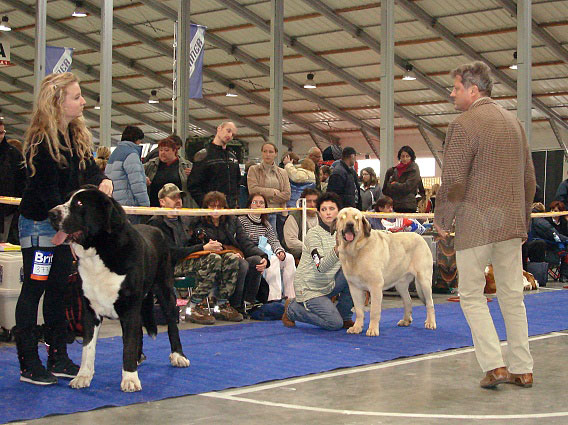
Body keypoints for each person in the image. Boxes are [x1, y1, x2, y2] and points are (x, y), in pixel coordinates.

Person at [434, 61, 536, 389]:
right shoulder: (515, 123)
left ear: (473, 90)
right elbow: (529, 179)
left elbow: (453, 179)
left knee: (471, 295)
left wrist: (442, 219)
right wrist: (523, 218)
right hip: (510, 225)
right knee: (511, 296)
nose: (452, 94)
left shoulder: (463, 125)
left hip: (476, 225)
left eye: (456, 88)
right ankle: (523, 368)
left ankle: (494, 365)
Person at [15, 72, 113, 385]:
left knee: (58, 289)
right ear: (58, 102)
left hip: (63, 228)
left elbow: (87, 173)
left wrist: (103, 181)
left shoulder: (76, 137)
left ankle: (58, 354)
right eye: (76, 96)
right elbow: (47, 193)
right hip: (41, 227)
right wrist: (67, 227)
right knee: (34, 290)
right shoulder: (41, 142)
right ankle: (28, 361)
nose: (83, 101)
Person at [147, 184, 242, 325]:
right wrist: (203, 247)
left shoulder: (185, 220)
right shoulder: (156, 223)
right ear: (162, 202)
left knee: (231, 258)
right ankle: (192, 307)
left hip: (187, 260)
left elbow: (190, 244)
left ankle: (221, 304)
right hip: (168, 266)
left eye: (179, 197)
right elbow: (171, 252)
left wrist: (210, 244)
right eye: (173, 197)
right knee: (212, 259)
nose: (178, 201)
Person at [281, 192, 354, 331]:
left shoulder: (343, 233)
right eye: (324, 210)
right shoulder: (313, 235)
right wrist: (337, 249)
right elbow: (320, 266)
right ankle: (292, 309)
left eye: (332, 209)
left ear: (339, 212)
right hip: (310, 288)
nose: (328, 213)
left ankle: (345, 316)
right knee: (334, 324)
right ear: (319, 214)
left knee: (353, 273)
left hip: (329, 283)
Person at [192, 191, 270, 315]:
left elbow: (245, 242)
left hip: (234, 255)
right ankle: (235, 304)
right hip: (214, 260)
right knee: (242, 264)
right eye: (212, 206)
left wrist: (263, 256)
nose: (216, 210)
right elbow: (207, 246)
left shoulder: (232, 220)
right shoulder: (199, 223)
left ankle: (248, 303)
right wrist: (229, 252)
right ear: (206, 207)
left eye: (219, 206)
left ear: (225, 208)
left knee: (256, 261)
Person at [239, 193, 296, 300]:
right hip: (253, 253)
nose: (258, 205)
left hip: (267, 250)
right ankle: (274, 299)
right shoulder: (242, 221)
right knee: (273, 260)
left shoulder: (265, 223)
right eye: (255, 202)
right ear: (249, 205)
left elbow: (273, 239)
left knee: (289, 258)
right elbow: (244, 242)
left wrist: (280, 251)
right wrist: (263, 254)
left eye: (261, 203)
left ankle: (291, 298)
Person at [188, 122, 241, 208]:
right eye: (228, 131)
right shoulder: (203, 155)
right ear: (219, 128)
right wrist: (205, 204)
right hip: (210, 210)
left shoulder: (233, 158)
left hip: (230, 209)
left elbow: (237, 183)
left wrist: (235, 202)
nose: (230, 135)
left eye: (233, 134)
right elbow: (193, 185)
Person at [105, 125, 150, 224]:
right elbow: (137, 183)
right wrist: (146, 206)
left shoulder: (114, 154)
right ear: (137, 140)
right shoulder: (132, 154)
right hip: (129, 206)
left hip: (115, 205)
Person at [247, 142, 291, 233]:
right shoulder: (253, 169)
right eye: (265, 151)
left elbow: (287, 194)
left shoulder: (283, 172)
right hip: (260, 213)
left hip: (279, 213)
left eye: (271, 152)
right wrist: (273, 192)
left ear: (275, 154)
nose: (267, 154)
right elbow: (253, 190)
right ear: (261, 153)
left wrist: (268, 199)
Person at [145, 135, 194, 208]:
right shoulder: (151, 165)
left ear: (175, 151)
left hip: (179, 208)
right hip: (154, 207)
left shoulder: (187, 166)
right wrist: (143, 178)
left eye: (166, 150)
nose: (163, 153)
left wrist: (193, 175)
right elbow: (137, 174)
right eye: (161, 150)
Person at [0, 121, 26, 244]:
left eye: (2, 133)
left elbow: (22, 181)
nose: (0, 136)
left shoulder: (14, 154)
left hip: (8, 210)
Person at [282, 188, 320, 261]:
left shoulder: (322, 216)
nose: (312, 204)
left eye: (315, 201)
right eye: (309, 201)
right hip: (300, 251)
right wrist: (311, 247)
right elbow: (291, 241)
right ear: (302, 202)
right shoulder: (294, 217)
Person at [382, 146, 423, 213]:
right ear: (400, 157)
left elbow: (408, 187)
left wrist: (395, 185)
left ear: (411, 157)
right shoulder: (392, 170)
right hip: (395, 205)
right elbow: (385, 190)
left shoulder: (414, 169)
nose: (405, 158)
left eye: (407, 156)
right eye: (403, 156)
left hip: (408, 206)